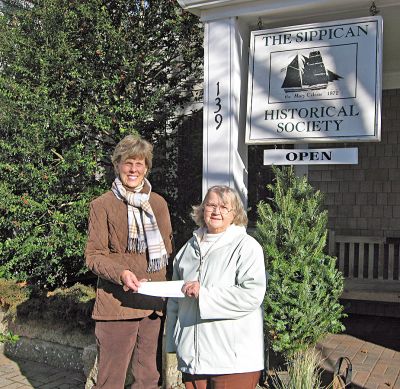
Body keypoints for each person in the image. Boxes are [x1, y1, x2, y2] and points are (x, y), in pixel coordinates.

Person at [85, 135, 173, 389]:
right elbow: (93, 255)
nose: (133, 169)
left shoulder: (158, 203)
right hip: (116, 304)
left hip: (152, 304)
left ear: (147, 167)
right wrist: (122, 273)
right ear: (117, 165)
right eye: (128, 163)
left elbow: (167, 252)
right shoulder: (102, 205)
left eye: (140, 163)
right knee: (111, 380)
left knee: (148, 379)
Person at [166, 185, 266, 389]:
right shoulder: (187, 249)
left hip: (232, 361)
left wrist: (204, 294)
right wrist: (175, 343)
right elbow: (175, 301)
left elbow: (251, 295)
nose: (216, 211)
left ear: (235, 213)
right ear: (202, 209)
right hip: (194, 361)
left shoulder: (246, 247)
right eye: (211, 205)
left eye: (224, 207)